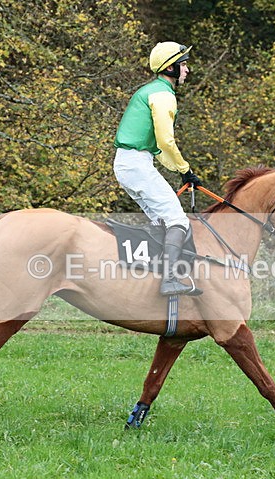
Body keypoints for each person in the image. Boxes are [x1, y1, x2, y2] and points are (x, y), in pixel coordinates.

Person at [113, 41, 203, 296]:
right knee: (177, 221)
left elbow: (160, 149)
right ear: (171, 68)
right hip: (136, 164)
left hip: (130, 163)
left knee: (161, 221)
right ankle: (169, 280)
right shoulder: (164, 95)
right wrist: (184, 168)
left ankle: (148, 278)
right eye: (183, 65)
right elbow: (166, 141)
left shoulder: (152, 90)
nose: (187, 70)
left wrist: (183, 172)